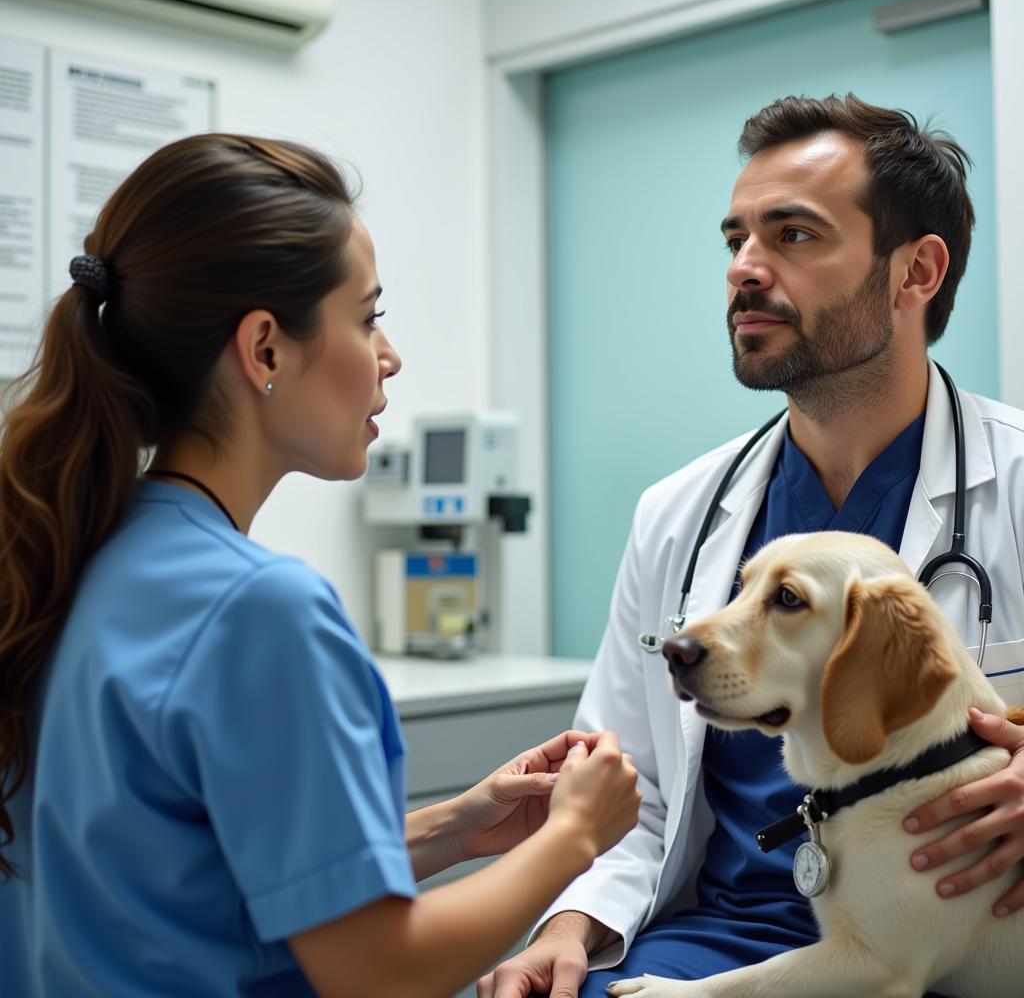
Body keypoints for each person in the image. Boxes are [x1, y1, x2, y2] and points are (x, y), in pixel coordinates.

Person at [0, 133, 642, 997]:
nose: (390, 356)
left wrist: (455, 826)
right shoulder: (260, 610)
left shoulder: (74, 555)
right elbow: (378, 970)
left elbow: (196, 877)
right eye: (368, 317)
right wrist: (575, 836)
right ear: (265, 349)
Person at [479, 94, 1024, 998]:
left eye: (794, 236)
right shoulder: (677, 514)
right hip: (730, 937)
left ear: (917, 270)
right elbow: (631, 786)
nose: (744, 269)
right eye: (736, 240)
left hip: (962, 944)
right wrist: (567, 927)